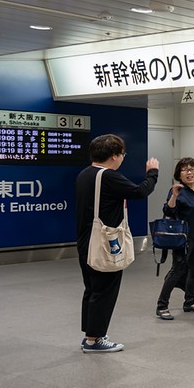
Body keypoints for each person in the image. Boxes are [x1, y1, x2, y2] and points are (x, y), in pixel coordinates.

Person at [76, 134, 159, 352]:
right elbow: (140, 191)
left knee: (92, 289)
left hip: (87, 241)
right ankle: (95, 340)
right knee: (105, 290)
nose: (122, 158)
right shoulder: (108, 176)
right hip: (105, 243)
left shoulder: (85, 174)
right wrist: (153, 172)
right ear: (114, 156)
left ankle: (91, 335)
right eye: (122, 154)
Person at [156, 158, 194, 320]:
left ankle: (189, 302)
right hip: (184, 239)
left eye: (192, 169)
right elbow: (168, 210)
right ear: (179, 174)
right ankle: (162, 305)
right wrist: (173, 196)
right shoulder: (178, 190)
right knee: (177, 271)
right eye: (185, 170)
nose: (189, 173)